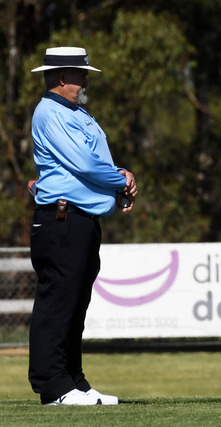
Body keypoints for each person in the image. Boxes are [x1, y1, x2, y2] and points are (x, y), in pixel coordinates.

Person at [28, 47, 137, 405]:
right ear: (63, 78)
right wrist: (121, 181)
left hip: (81, 220)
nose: (86, 80)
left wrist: (118, 181)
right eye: (81, 74)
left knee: (75, 303)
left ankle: (73, 381)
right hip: (62, 219)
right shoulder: (50, 112)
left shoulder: (77, 113)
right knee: (59, 303)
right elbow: (85, 164)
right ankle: (54, 386)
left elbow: (93, 163)